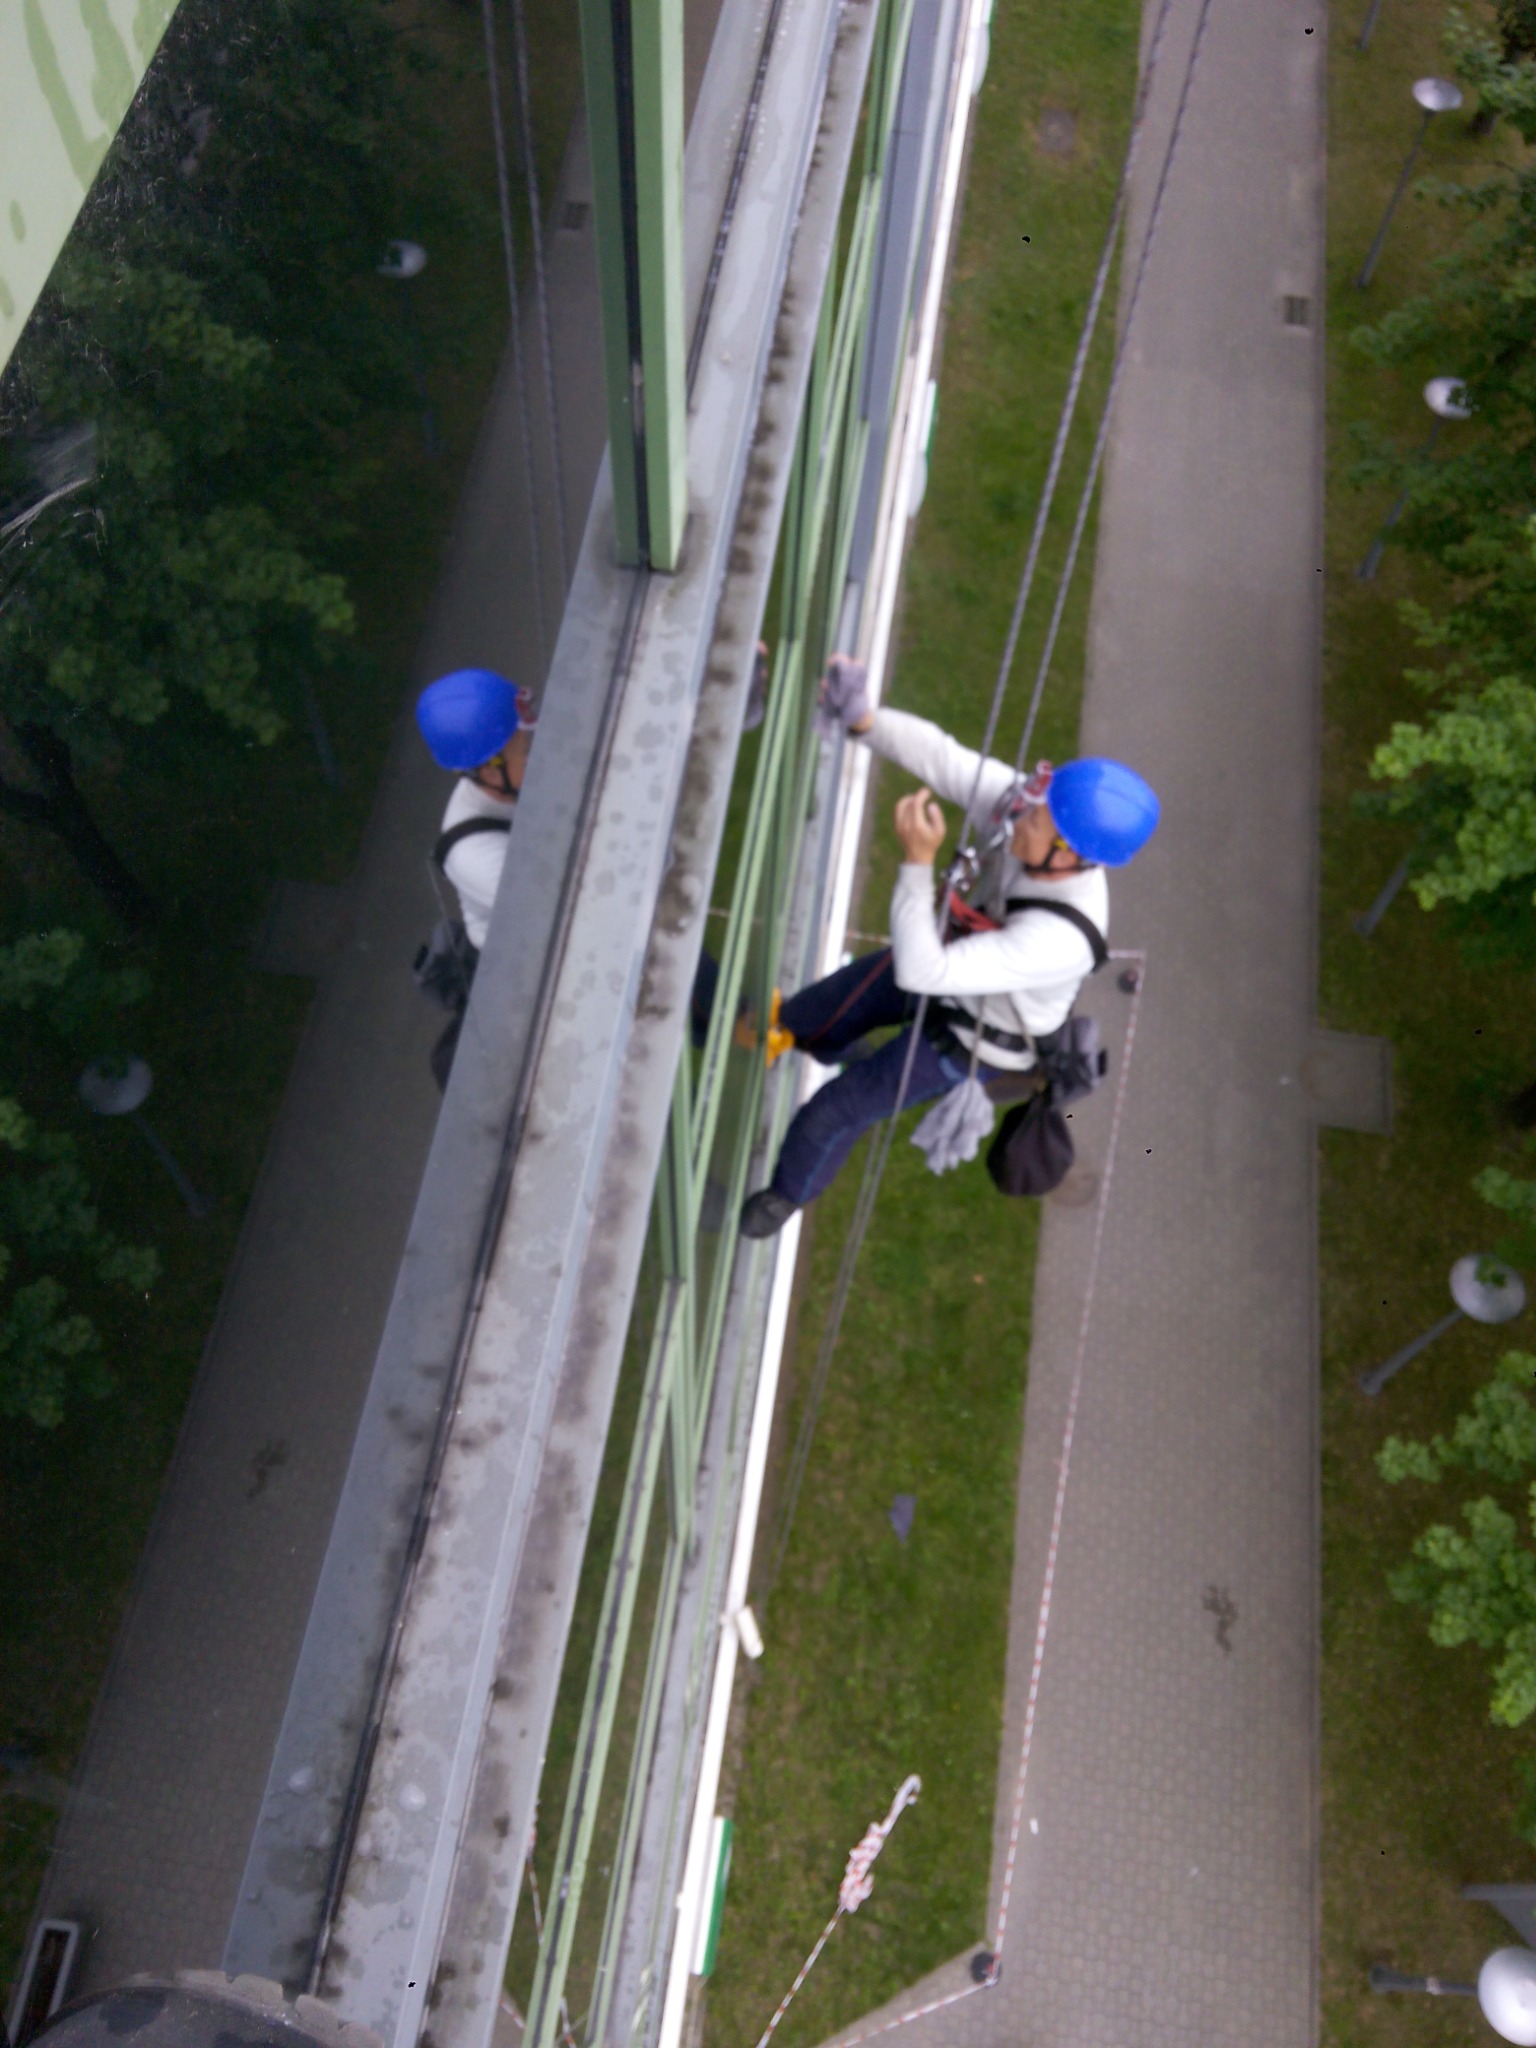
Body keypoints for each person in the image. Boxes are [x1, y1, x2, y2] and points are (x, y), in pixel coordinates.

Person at [738, 659, 1159, 1236]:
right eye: (1035, 803)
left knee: (834, 1111)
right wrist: (864, 720)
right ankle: (811, 1036)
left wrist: (917, 863)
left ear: (1069, 856)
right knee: (820, 1009)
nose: (1022, 817)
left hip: (971, 1039)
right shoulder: (1040, 822)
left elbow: (921, 971)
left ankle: (783, 1198)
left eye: (1038, 820)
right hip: (951, 966)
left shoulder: (1061, 939)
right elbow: (946, 759)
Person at [415, 667, 537, 1087]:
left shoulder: (517, 780)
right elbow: (553, 910)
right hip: (528, 967)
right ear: (490, 771)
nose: (538, 751)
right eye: (526, 749)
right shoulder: (471, 853)